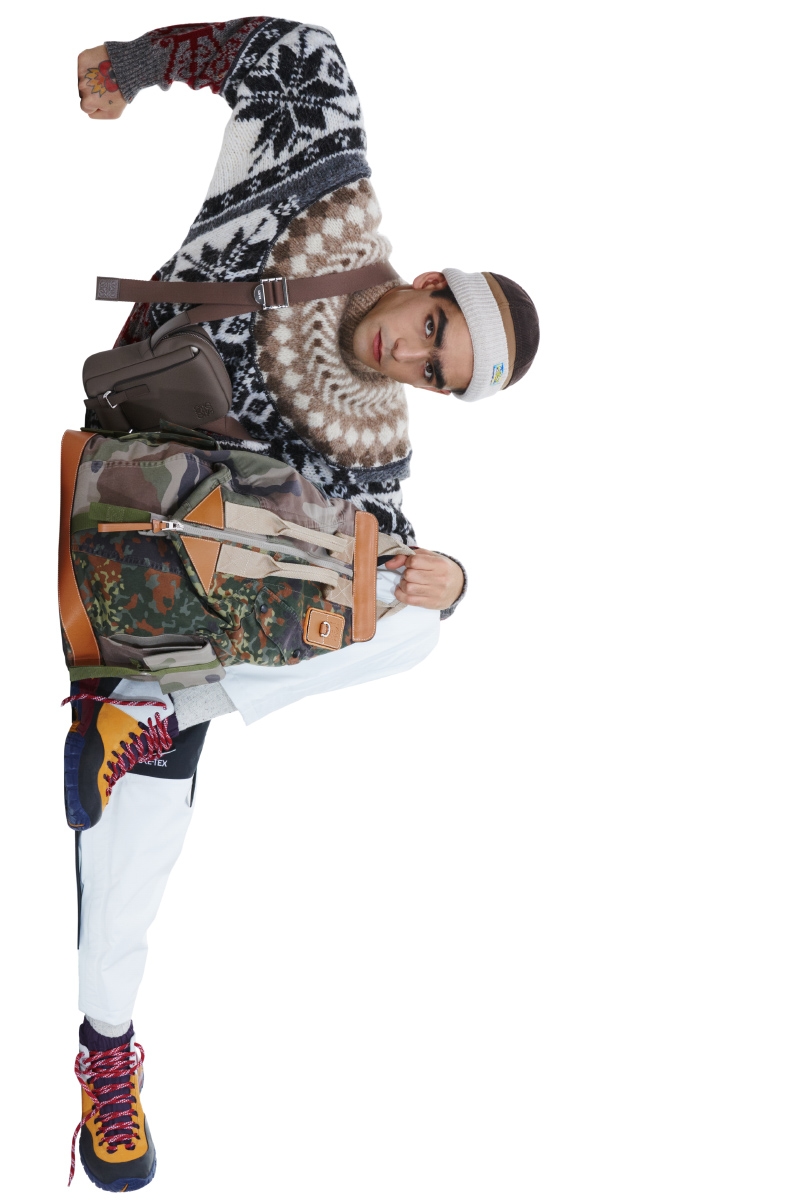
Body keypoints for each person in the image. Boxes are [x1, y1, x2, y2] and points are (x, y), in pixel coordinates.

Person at [68, 17, 540, 1191]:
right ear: (430, 284)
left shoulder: (377, 445)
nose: (408, 358)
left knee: (413, 621)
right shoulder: (324, 187)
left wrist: (451, 583)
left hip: (166, 634)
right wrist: (137, 66)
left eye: (433, 374)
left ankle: (106, 1050)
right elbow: (292, 49)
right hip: (111, 498)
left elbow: (375, 569)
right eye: (432, 331)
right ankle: (153, 719)